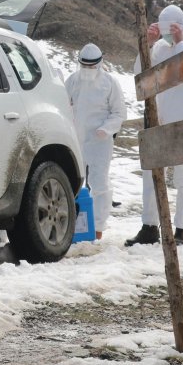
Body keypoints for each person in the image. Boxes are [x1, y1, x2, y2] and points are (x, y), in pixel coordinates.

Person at [126, 5, 183, 246]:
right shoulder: (160, 47)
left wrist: (181, 45)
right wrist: (149, 45)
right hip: (158, 120)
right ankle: (150, 225)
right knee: (151, 176)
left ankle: (182, 229)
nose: (166, 37)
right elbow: (139, 74)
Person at [64, 43, 127, 241]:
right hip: (76, 139)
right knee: (73, 182)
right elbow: (64, 106)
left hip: (100, 141)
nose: (88, 71)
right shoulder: (72, 81)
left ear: (99, 64)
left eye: (92, 67)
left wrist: (106, 129)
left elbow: (119, 113)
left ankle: (98, 226)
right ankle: (71, 226)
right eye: (85, 66)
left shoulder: (110, 83)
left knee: (99, 183)